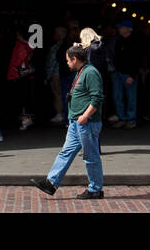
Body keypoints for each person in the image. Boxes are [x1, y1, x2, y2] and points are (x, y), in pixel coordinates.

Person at [32, 43, 105, 200]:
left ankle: (95, 189)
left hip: (86, 122)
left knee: (91, 156)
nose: (66, 63)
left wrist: (85, 116)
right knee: (66, 152)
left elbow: (97, 97)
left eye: (67, 60)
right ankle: (51, 182)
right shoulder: (82, 71)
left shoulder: (90, 72)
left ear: (75, 59)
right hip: (77, 122)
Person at [110, 21, 141, 129]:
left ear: (128, 29)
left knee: (131, 97)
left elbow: (137, 59)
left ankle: (131, 119)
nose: (119, 30)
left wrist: (132, 75)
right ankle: (122, 118)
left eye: (122, 28)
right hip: (118, 72)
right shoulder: (119, 40)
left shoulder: (135, 41)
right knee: (117, 96)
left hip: (128, 73)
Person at [6, 26, 36, 130]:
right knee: (26, 96)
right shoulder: (30, 45)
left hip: (20, 74)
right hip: (27, 74)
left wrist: (15, 68)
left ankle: (25, 119)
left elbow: (19, 59)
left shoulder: (20, 45)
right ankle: (28, 118)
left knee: (21, 97)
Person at [46, 26, 69, 124]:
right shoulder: (67, 45)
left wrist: (48, 75)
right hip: (63, 73)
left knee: (57, 94)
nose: (53, 36)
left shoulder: (56, 47)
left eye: (55, 34)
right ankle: (63, 113)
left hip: (55, 73)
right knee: (63, 94)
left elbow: (51, 62)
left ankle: (59, 114)